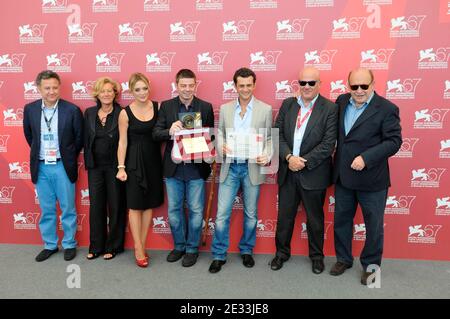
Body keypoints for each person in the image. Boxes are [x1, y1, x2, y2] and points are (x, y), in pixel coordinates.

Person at [330, 68, 402, 285]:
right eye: (354, 86)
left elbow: (394, 142)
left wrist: (366, 157)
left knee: (373, 226)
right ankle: (343, 259)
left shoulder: (387, 108)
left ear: (372, 84)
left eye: (364, 86)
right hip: (343, 176)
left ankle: (371, 267)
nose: (359, 91)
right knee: (341, 221)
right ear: (348, 86)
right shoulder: (341, 101)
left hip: (372, 178)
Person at [270, 66, 338, 274]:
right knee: (284, 218)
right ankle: (281, 254)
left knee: (315, 220)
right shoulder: (288, 104)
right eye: (303, 83)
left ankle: (317, 257)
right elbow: (276, 134)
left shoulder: (330, 108)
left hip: (314, 173)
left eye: (311, 83)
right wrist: (289, 158)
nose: (306, 86)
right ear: (298, 84)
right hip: (288, 170)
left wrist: (304, 161)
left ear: (319, 84)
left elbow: (328, 144)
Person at [209, 67, 272, 273]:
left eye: (248, 85)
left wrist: (267, 154)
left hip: (252, 167)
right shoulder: (226, 109)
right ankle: (219, 254)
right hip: (231, 166)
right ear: (235, 86)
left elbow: (270, 139)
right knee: (221, 215)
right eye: (241, 85)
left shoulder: (265, 109)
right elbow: (219, 135)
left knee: (251, 214)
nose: (245, 89)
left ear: (254, 85)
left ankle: (247, 250)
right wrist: (222, 146)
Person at [153, 69, 214, 267]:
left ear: (195, 85)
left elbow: (211, 137)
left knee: (196, 210)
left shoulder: (205, 107)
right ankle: (179, 246)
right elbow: (156, 133)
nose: (187, 89)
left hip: (196, 169)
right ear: (176, 85)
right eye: (183, 85)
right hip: (174, 168)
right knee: (174, 210)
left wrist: (209, 150)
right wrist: (169, 131)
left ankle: (192, 248)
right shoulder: (167, 106)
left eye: (190, 85)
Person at [23, 70, 83, 262]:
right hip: (41, 166)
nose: (51, 91)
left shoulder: (72, 110)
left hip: (62, 166)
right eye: (47, 88)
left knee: (67, 208)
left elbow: (78, 139)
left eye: (55, 87)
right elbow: (29, 136)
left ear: (60, 87)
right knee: (47, 209)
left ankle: (69, 244)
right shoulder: (30, 109)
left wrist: (66, 156)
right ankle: (49, 245)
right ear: (39, 88)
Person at [116, 73, 164, 268]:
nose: (142, 92)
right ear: (131, 91)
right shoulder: (125, 113)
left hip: (153, 161)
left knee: (149, 205)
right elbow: (122, 141)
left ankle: (142, 245)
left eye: (145, 88)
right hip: (133, 163)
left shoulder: (159, 107)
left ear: (149, 87)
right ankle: (138, 247)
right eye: (137, 89)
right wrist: (121, 167)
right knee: (135, 206)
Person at [84, 77, 126, 260]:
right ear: (97, 94)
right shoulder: (89, 113)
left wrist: (121, 166)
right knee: (96, 207)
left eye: (110, 91)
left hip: (115, 167)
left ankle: (114, 246)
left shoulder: (122, 113)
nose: (107, 94)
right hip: (95, 167)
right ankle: (96, 246)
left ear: (115, 94)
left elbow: (125, 141)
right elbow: (85, 139)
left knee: (116, 206)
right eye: (103, 91)